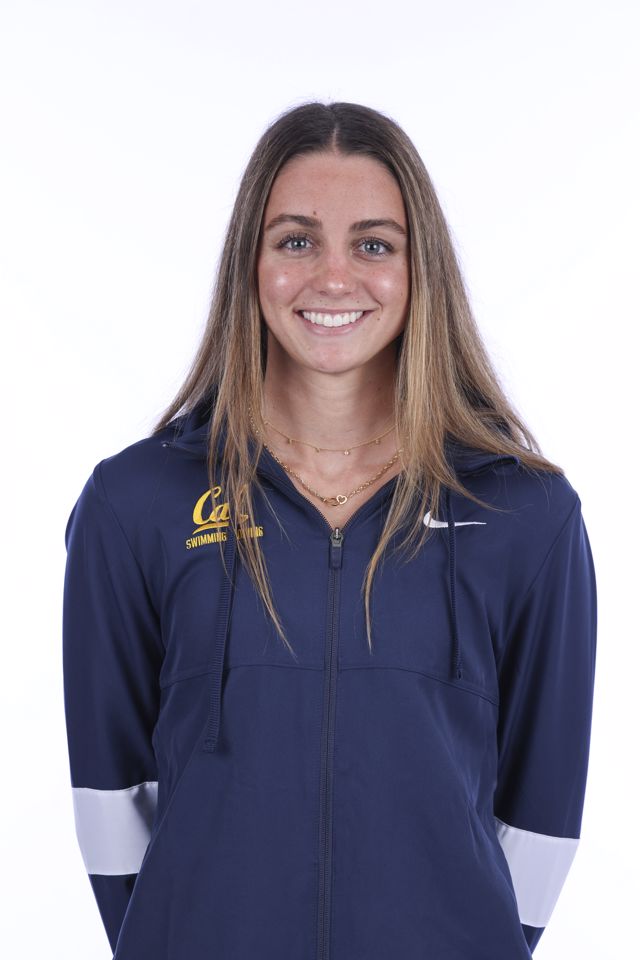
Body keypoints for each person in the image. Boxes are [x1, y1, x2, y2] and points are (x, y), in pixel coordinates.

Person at [62, 101, 597, 959]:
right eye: (297, 241)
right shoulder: (135, 505)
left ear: (421, 269)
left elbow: (542, 817)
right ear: (251, 263)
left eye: (374, 245)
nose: (334, 278)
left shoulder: (525, 514)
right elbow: (110, 797)